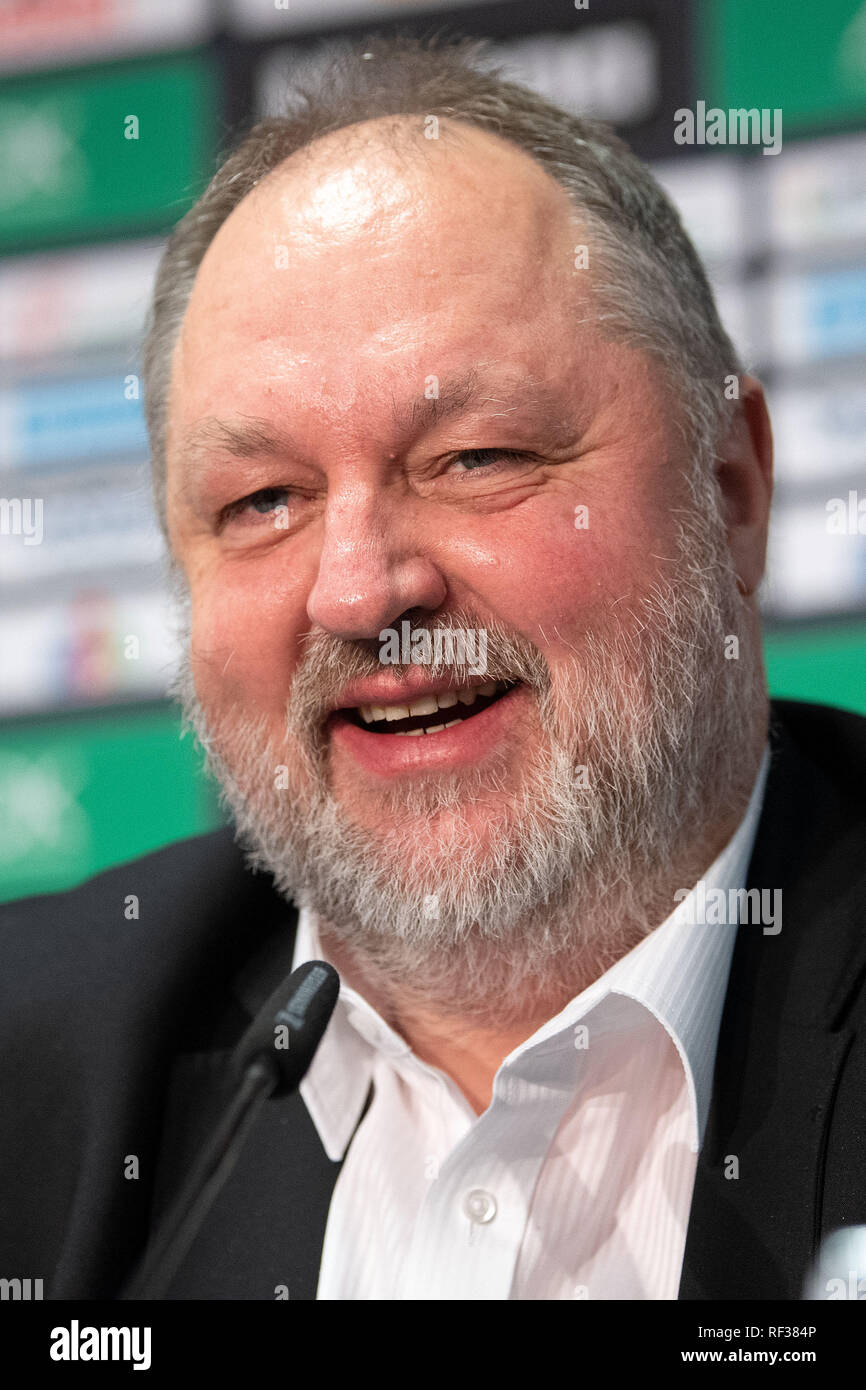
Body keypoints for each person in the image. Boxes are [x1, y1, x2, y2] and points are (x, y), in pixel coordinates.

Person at [1, 35, 864, 1302]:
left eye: (477, 457)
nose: (360, 590)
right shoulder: (40, 1063)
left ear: (727, 487)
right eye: (263, 500)